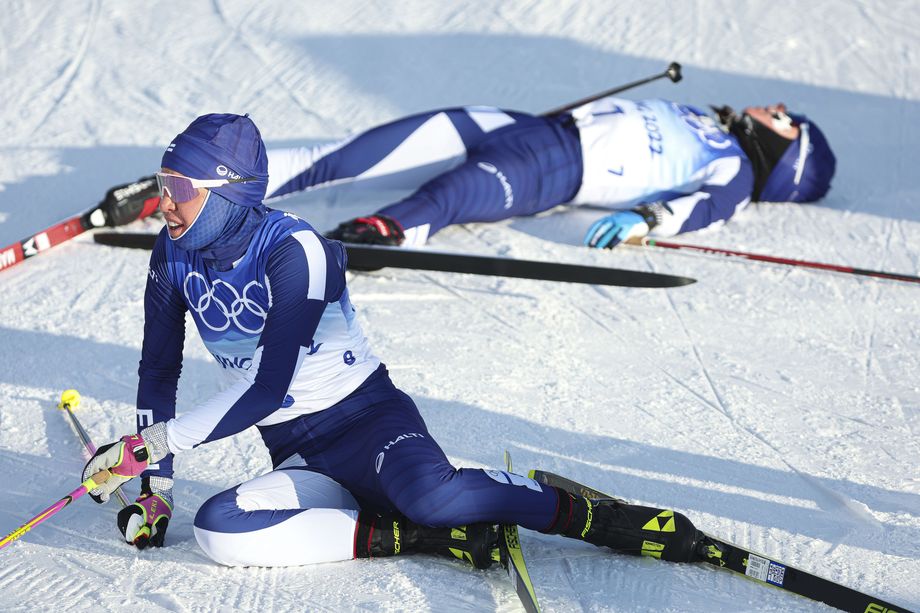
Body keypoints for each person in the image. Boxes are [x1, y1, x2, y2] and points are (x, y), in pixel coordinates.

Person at [81, 112, 715, 569]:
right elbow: (157, 371)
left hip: (368, 421)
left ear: (228, 193)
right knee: (220, 531)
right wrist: (156, 487)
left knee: (434, 496)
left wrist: (146, 446)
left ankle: (589, 515)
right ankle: (418, 539)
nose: (163, 203)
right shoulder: (172, 253)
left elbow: (272, 387)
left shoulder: (295, 252)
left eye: (179, 189)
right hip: (298, 452)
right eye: (161, 185)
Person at [259, 96, 836, 250]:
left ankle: (379, 232)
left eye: (785, 120)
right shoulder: (709, 118)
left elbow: (703, 210)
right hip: (518, 126)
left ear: (783, 159)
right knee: (353, 153)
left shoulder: (732, 169)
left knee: (450, 195)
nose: (775, 105)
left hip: (551, 169)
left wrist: (644, 219)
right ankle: (215, 183)